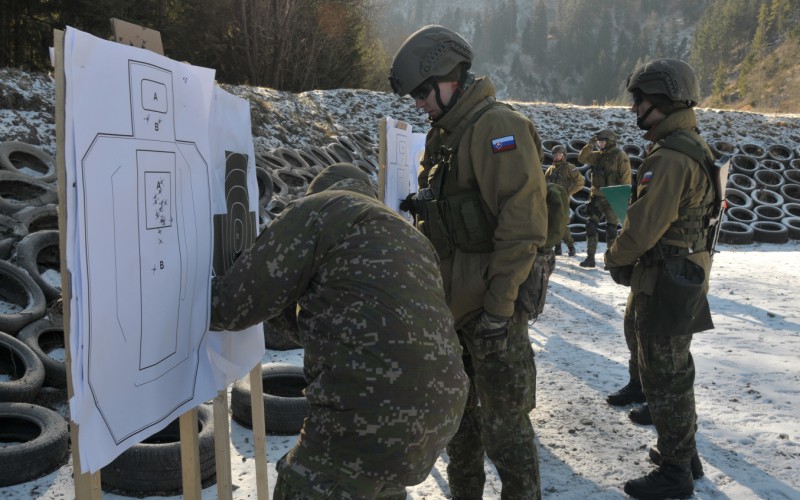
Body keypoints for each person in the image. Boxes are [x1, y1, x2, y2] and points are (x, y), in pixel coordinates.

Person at [209, 163, 469, 499]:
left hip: (365, 408)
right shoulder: (409, 236)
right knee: (374, 484)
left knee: (306, 488)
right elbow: (333, 323)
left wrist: (186, 289)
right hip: (441, 411)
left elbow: (234, 305)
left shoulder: (318, 210)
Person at [390, 25, 547, 500]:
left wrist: (500, 312)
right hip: (455, 312)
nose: (418, 102)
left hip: (490, 314)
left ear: (449, 77)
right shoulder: (447, 136)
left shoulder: (497, 128)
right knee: (460, 427)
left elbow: (521, 230)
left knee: (506, 432)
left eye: (422, 91)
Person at [605, 58, 715, 499]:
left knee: (665, 374)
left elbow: (642, 226)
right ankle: (684, 453)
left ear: (665, 101)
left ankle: (675, 472)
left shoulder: (669, 158)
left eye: (641, 100)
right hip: (684, 272)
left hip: (665, 277)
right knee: (675, 369)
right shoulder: (692, 146)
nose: (634, 109)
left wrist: (616, 257)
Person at [577, 128, 631, 268]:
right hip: (596, 197)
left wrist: (622, 199)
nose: (599, 144)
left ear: (610, 141)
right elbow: (581, 158)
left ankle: (610, 260)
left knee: (611, 229)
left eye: (602, 141)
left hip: (612, 197)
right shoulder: (598, 156)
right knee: (590, 226)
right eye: (598, 142)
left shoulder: (620, 156)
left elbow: (626, 178)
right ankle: (590, 258)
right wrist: (589, 146)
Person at [544, 144, 584, 256]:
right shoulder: (550, 169)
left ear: (564, 155)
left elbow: (580, 182)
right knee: (551, 224)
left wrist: (568, 192)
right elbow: (544, 184)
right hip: (550, 201)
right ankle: (557, 248)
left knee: (561, 224)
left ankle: (571, 247)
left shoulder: (569, 167)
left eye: (559, 154)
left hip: (562, 201)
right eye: (555, 154)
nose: (557, 156)